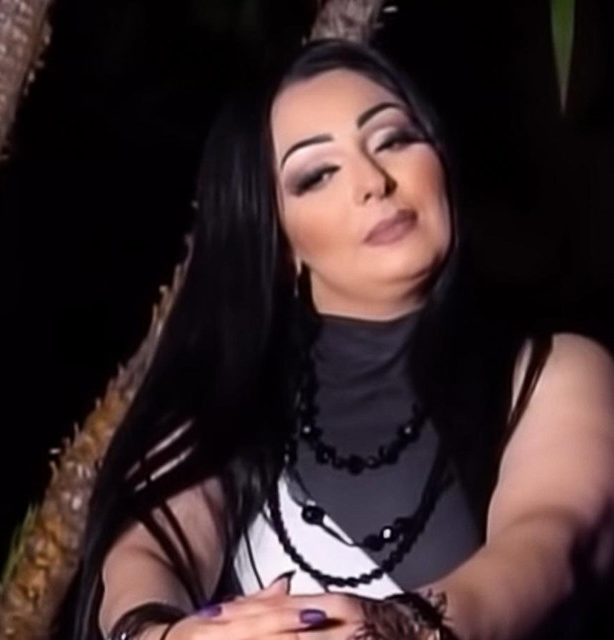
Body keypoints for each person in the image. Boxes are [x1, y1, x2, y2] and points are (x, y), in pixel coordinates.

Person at [72, 39, 614, 640]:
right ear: (278, 242)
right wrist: (163, 634)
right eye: (318, 175)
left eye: (393, 139)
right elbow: (145, 555)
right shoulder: (227, 398)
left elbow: (550, 546)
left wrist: (400, 628)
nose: (374, 182)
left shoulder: (554, 371)